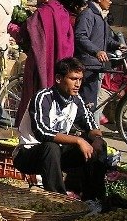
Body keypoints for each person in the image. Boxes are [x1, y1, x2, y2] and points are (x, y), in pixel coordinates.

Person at [13, 57, 107, 209]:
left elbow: (91, 125)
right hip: (28, 154)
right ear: (58, 78)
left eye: (80, 79)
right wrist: (78, 140)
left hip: (55, 156)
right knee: (51, 146)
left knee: (99, 145)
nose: (78, 84)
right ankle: (59, 202)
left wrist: (96, 139)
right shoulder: (43, 97)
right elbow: (42, 133)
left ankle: (94, 199)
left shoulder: (76, 100)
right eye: (73, 79)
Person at [16, 0, 74, 126]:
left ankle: (34, 127)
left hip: (42, 63)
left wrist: (14, 28)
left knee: (36, 96)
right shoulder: (63, 12)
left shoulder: (42, 14)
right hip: (61, 64)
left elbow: (28, 37)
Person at [74, 0, 122, 110]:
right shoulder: (88, 14)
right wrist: (97, 51)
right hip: (87, 63)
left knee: (89, 101)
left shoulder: (101, 16)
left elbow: (106, 40)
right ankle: (82, 127)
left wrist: (119, 45)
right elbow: (80, 36)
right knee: (87, 102)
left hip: (96, 64)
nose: (110, 2)